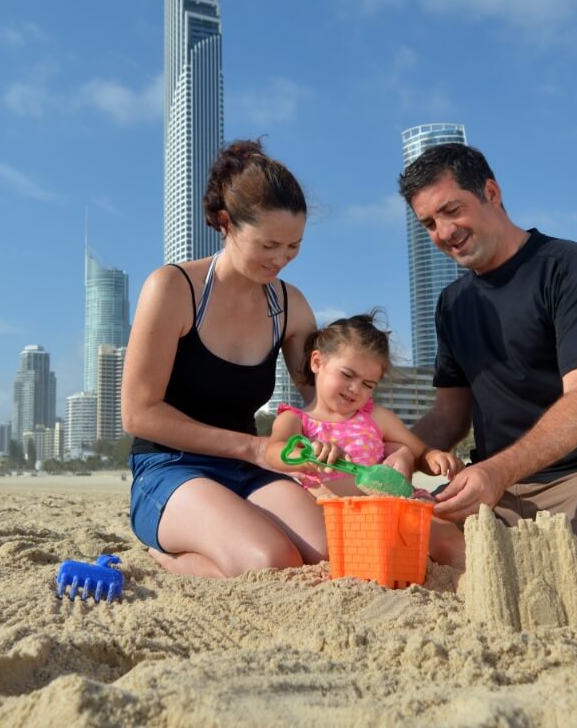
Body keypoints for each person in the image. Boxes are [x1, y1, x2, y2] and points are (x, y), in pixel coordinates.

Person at [398, 143, 577, 586]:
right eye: (429, 224)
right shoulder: (452, 303)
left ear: (491, 193)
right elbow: (449, 415)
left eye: (451, 210)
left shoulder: (570, 267)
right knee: (401, 548)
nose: (444, 231)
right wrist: (402, 451)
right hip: (493, 491)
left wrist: (496, 471)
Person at [122, 139, 327, 578]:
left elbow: (322, 400)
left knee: (328, 553)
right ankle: (166, 556)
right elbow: (139, 414)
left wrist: (383, 449)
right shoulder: (173, 289)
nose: (281, 260)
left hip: (246, 468)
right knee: (271, 563)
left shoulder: (291, 307)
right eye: (269, 244)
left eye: (293, 247)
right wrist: (257, 448)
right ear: (225, 223)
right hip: (169, 467)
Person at [266, 313, 467, 567]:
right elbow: (275, 451)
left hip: (395, 510)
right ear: (317, 362)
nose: (355, 389)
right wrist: (307, 455)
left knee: (446, 538)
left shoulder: (375, 417)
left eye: (368, 384)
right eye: (347, 375)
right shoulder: (296, 420)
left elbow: (420, 451)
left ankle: (472, 579)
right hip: (339, 523)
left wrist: (433, 457)